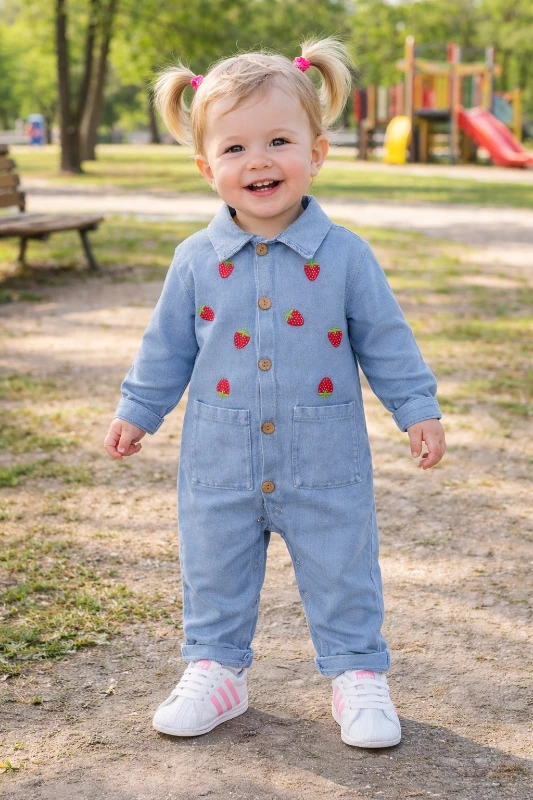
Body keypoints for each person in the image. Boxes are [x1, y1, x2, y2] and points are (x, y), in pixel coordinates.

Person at [104, 37, 446, 748]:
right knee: (213, 568)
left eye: (279, 141)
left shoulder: (346, 255)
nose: (257, 160)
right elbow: (165, 348)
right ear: (206, 167)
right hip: (217, 461)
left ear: (316, 152)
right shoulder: (194, 260)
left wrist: (416, 409)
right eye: (234, 149)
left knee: (341, 568)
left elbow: (385, 339)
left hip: (326, 461)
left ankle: (356, 675)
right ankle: (215, 671)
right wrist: (138, 412)